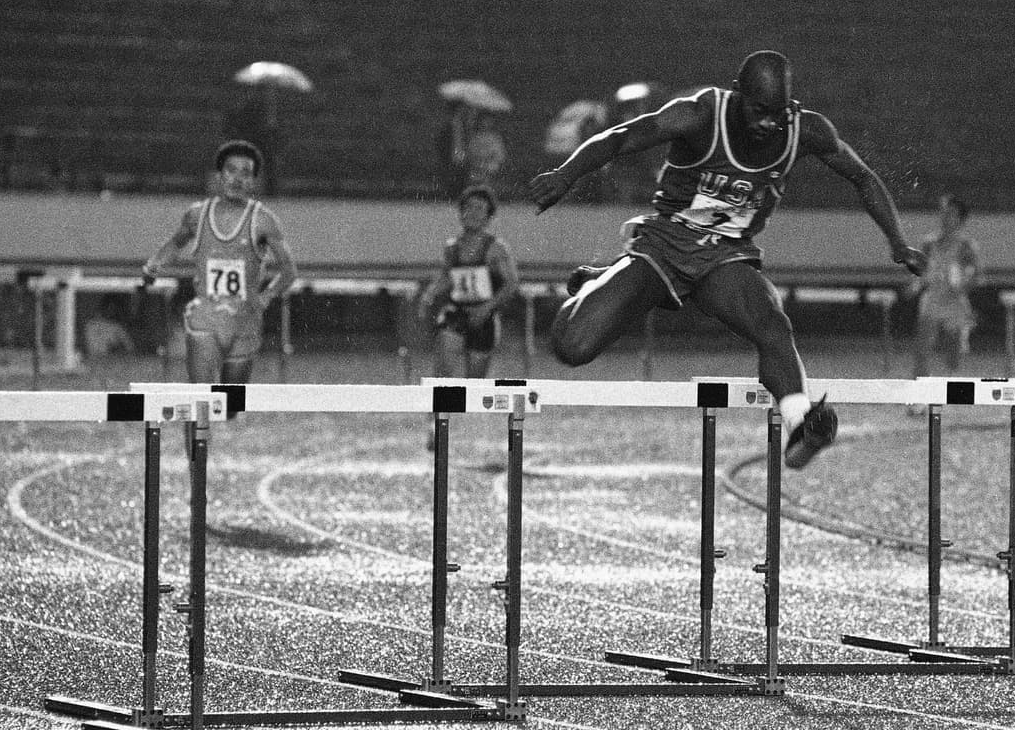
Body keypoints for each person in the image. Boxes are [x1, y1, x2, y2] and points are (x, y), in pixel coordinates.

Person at [530, 50, 926, 469]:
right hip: (664, 243)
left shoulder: (804, 130)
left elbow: (862, 176)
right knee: (572, 347)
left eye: (777, 112)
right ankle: (602, 279)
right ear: (737, 96)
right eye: (758, 111)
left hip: (726, 255)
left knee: (771, 321)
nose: (768, 123)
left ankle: (800, 422)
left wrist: (898, 242)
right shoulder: (699, 114)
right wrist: (565, 175)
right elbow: (622, 137)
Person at [141, 140, 297, 385]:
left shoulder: (264, 221)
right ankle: (195, 420)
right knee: (200, 398)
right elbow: (176, 243)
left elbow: (289, 271)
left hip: (243, 321)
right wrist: (154, 264)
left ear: (254, 181)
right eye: (230, 170)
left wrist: (265, 297)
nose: (236, 179)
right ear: (219, 176)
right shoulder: (197, 214)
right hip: (205, 315)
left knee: (229, 404)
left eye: (245, 173)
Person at [418, 185, 520, 378]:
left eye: (479, 208)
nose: (472, 213)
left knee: (475, 385)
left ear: (489, 217)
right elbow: (448, 276)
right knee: (443, 366)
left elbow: (511, 283)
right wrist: (429, 294)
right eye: (469, 207)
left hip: (484, 318)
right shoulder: (452, 247)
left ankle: (466, 406)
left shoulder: (496, 249)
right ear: (460, 212)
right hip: (457, 312)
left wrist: (487, 307)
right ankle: (441, 406)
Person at [910, 195, 982, 380]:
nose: (945, 217)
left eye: (951, 214)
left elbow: (977, 277)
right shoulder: (929, 242)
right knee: (922, 350)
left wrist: (961, 287)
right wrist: (915, 285)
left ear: (960, 219)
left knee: (952, 353)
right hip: (933, 298)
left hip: (954, 302)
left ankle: (948, 390)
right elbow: (920, 272)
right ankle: (919, 393)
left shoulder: (966, 246)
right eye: (943, 213)